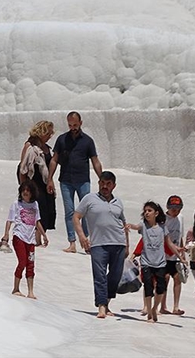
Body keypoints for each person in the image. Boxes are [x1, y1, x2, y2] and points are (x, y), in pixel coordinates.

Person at [73, 171, 129, 319]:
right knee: (99, 276)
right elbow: (76, 216)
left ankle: (107, 302)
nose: (105, 186)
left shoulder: (118, 202)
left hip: (118, 242)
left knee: (115, 276)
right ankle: (101, 306)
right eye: (102, 182)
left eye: (108, 183)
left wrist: (127, 245)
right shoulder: (89, 199)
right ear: (98, 183)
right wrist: (82, 237)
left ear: (114, 186)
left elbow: (123, 224)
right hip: (98, 243)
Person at [47, 111, 103, 253]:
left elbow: (95, 161)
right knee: (69, 212)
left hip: (83, 180)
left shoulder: (88, 141)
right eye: (70, 125)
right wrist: (49, 179)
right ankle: (72, 243)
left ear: (81, 123)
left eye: (75, 125)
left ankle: (84, 239)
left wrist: (102, 178)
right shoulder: (62, 139)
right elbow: (54, 159)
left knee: (86, 211)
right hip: (66, 180)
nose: (73, 127)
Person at [126, 201, 185, 323]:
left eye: (149, 211)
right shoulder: (143, 225)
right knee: (148, 286)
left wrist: (181, 256)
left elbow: (169, 244)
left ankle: (154, 308)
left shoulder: (163, 227)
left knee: (161, 288)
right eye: (145, 211)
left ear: (156, 213)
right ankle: (148, 311)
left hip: (160, 263)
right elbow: (136, 226)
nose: (147, 213)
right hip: (147, 262)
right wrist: (129, 226)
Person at [0, 180, 49, 299]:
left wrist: (44, 235)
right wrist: (6, 235)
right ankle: (16, 288)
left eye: (28, 191)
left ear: (32, 193)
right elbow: (9, 220)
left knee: (30, 264)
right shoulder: (16, 204)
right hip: (19, 237)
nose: (25, 193)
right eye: (23, 190)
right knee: (22, 262)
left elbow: (37, 221)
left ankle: (30, 292)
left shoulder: (35, 205)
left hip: (31, 239)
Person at [18, 120, 57, 233]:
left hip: (45, 183)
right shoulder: (30, 146)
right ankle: (35, 238)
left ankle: (41, 237)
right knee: (37, 210)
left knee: (48, 211)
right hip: (34, 184)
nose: (50, 136)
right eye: (48, 133)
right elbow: (23, 168)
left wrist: (50, 181)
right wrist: (24, 188)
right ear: (41, 132)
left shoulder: (46, 147)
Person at [160, 195, 186, 316]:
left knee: (177, 278)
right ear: (168, 208)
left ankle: (176, 306)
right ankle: (163, 306)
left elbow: (180, 236)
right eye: (173, 209)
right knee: (165, 279)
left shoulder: (181, 218)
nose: (176, 212)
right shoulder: (162, 219)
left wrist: (183, 254)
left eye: (178, 209)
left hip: (176, 256)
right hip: (164, 255)